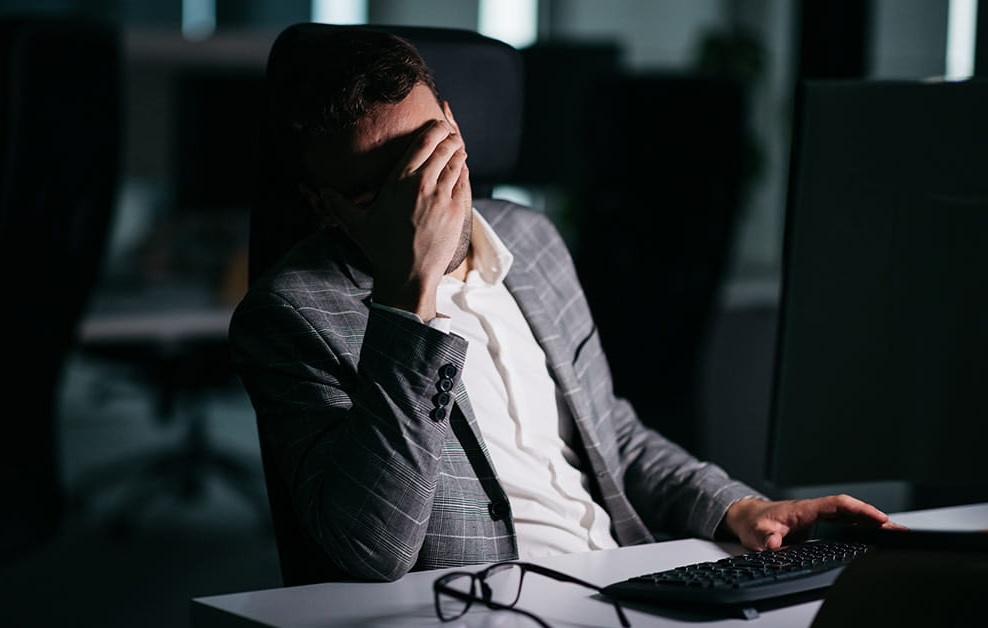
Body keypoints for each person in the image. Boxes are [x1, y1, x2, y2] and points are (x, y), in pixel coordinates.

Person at [229, 26, 900, 583]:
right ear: (322, 203)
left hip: (628, 577)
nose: (425, 197)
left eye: (431, 156)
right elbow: (372, 548)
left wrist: (742, 507)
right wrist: (409, 293)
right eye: (382, 191)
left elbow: (614, 434)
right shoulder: (290, 315)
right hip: (488, 605)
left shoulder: (532, 238)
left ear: (455, 124)